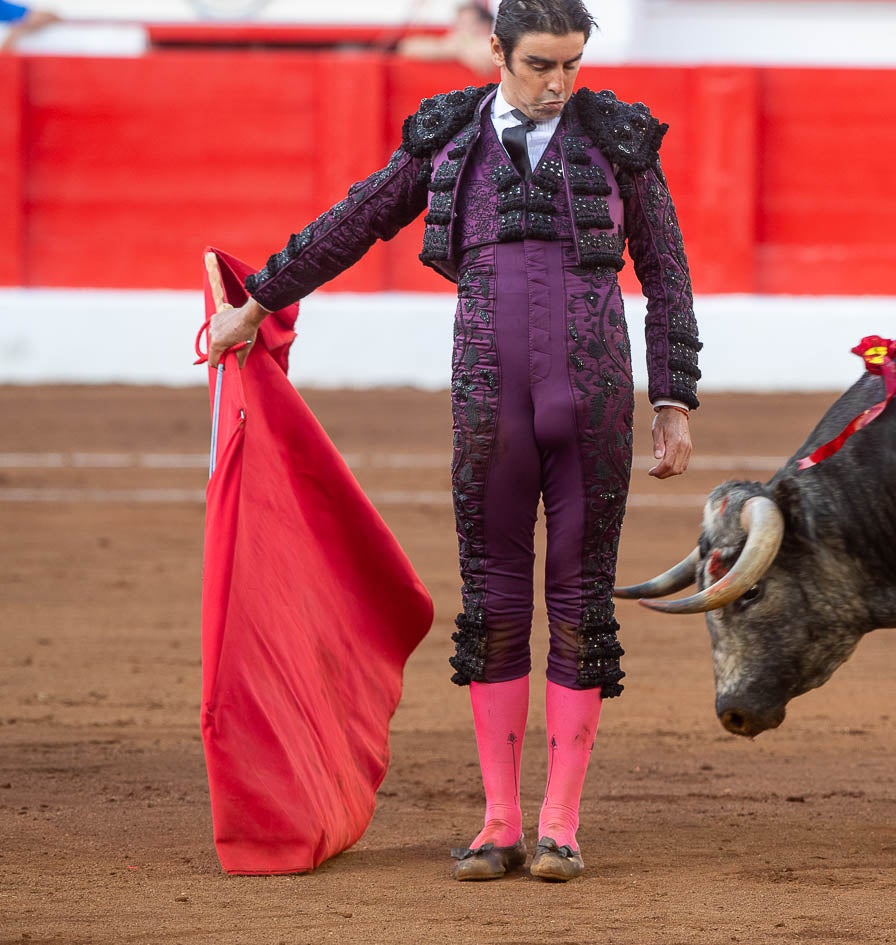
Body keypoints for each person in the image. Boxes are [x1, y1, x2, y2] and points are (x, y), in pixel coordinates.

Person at [206, 0, 699, 883]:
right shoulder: (445, 135)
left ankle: (560, 822)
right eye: (541, 65)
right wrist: (262, 298)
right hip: (486, 401)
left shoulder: (619, 139)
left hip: (591, 400)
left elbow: (667, 275)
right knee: (496, 599)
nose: (559, 84)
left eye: (572, 65)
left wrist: (673, 398)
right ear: (498, 53)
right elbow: (355, 220)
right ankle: (499, 818)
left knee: (581, 603)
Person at [397, 1, 496, 73]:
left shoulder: (493, 46)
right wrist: (459, 50)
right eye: (458, 23)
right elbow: (406, 47)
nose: (459, 28)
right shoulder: (452, 43)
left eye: (466, 23)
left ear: (484, 27)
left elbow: (488, 52)